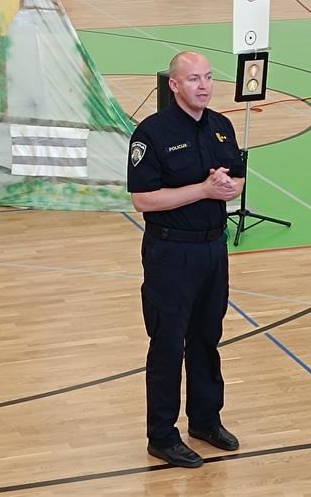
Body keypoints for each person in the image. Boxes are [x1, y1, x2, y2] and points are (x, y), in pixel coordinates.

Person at [127, 51, 245, 468]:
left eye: (209, 77)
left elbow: (237, 176)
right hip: (171, 253)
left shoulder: (221, 126)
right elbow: (143, 199)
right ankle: (162, 435)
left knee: (206, 338)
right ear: (174, 85)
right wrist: (204, 190)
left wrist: (228, 186)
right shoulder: (152, 133)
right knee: (167, 344)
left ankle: (206, 420)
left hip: (213, 249)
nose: (204, 86)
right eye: (194, 79)